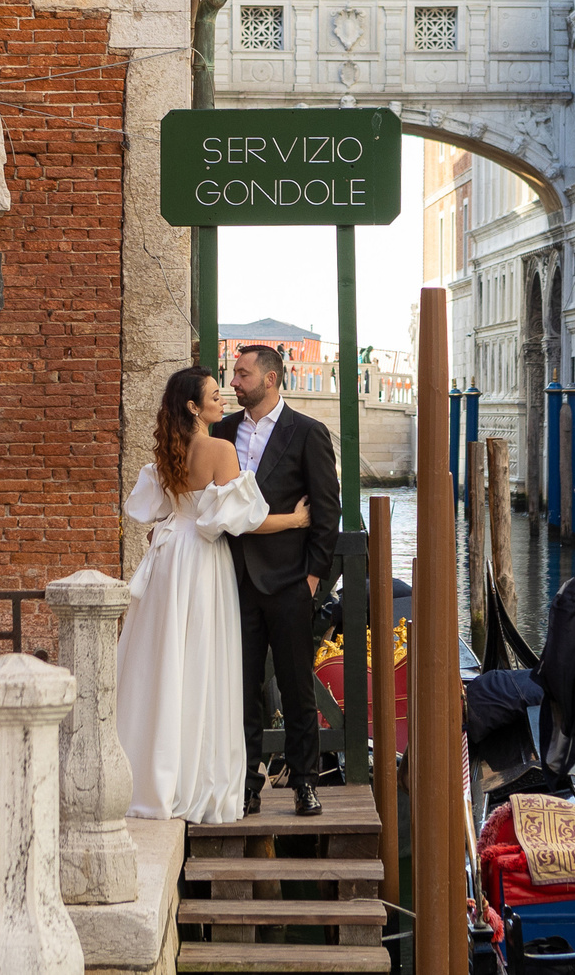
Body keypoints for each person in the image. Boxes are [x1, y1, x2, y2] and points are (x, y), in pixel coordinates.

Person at [112, 365, 313, 822]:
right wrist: (296, 521)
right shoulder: (219, 448)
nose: (223, 400)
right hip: (202, 561)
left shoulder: (168, 450)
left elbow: (158, 513)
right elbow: (246, 519)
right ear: (193, 406)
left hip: (169, 560)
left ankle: (148, 773)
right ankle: (193, 778)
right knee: (200, 664)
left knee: (162, 662)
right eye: (213, 395)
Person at [216, 343, 341, 816]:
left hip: (290, 584)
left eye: (242, 374)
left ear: (269, 379)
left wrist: (312, 581)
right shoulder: (223, 432)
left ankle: (305, 782)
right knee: (242, 688)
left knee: (296, 688)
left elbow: (327, 515)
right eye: (234, 374)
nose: (234, 382)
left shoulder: (307, 433)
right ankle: (247, 783)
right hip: (235, 580)